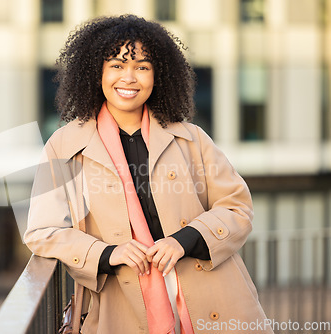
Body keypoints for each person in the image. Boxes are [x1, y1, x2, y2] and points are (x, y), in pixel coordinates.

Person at [24, 14, 272, 334]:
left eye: (142, 67)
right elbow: (42, 231)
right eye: (116, 65)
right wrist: (108, 253)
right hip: (121, 305)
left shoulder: (190, 139)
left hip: (214, 298)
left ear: (158, 75)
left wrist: (184, 241)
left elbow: (237, 207)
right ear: (95, 72)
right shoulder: (64, 146)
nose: (129, 78)